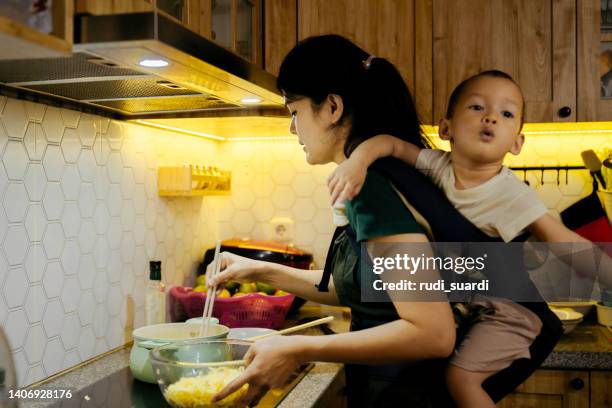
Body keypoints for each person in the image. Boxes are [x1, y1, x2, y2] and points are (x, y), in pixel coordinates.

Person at [206, 34, 458, 408]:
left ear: (333, 107)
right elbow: (370, 291)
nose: (293, 128)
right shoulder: (375, 173)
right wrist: (260, 271)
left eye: (294, 111)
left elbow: (433, 333)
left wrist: (298, 347)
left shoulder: (370, 186)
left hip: (408, 392)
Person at [326, 70, 601, 407]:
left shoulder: (513, 195)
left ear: (517, 142)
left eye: (506, 114)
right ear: (445, 129)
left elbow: (563, 241)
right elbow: (390, 144)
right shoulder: (435, 167)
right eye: (476, 107)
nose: (490, 117)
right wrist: (357, 162)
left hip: (508, 315)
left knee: (460, 379)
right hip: (472, 308)